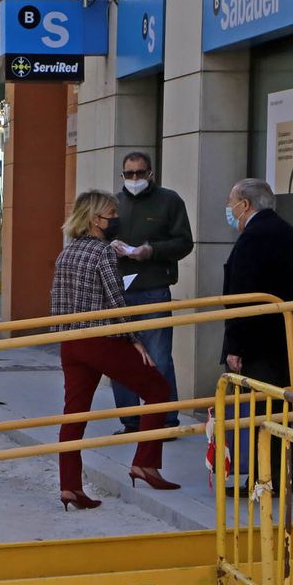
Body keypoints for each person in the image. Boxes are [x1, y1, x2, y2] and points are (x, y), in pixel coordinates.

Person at [50, 190, 179, 511]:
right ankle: (145, 463)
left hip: (70, 342)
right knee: (158, 390)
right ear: (96, 220)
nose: (116, 219)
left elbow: (57, 300)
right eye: (112, 214)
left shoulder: (66, 252)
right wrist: (135, 339)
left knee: (74, 413)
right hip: (101, 339)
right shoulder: (103, 253)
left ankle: (69, 486)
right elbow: (116, 301)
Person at [221, 177, 293, 493]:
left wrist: (234, 346)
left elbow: (241, 294)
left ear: (245, 204)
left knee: (260, 413)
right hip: (284, 336)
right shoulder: (287, 232)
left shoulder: (253, 237)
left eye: (231, 204)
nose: (229, 210)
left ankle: (264, 480)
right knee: (279, 411)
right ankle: (277, 477)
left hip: (255, 342)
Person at [109, 151, 194, 436]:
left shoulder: (169, 201)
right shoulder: (114, 203)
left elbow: (184, 242)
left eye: (140, 173)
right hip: (119, 289)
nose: (134, 178)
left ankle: (165, 419)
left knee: (158, 355)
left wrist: (152, 250)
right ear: (122, 175)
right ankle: (131, 421)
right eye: (129, 174)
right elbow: (98, 236)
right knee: (121, 357)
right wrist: (111, 247)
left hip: (154, 288)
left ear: (151, 173)